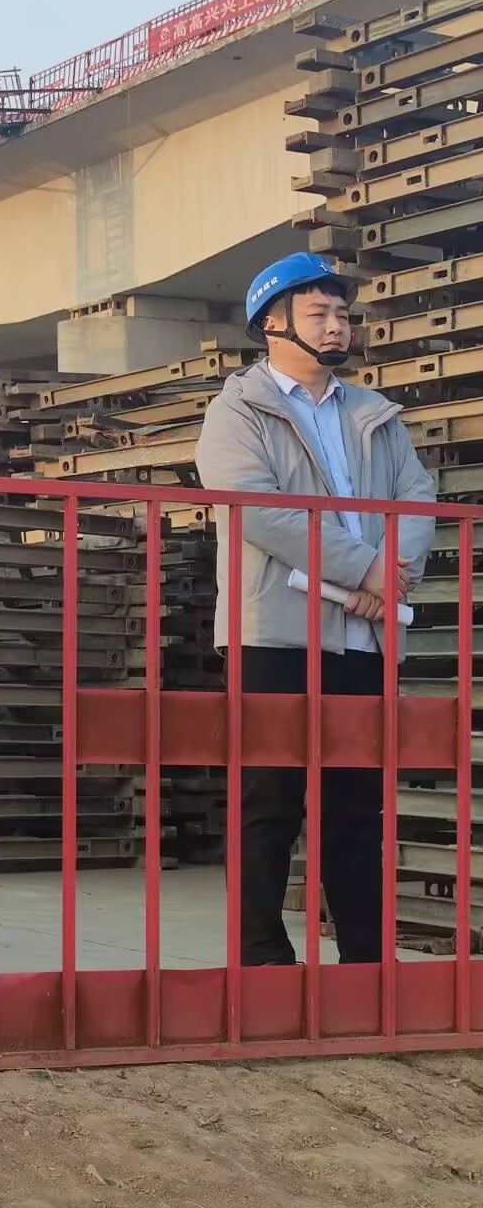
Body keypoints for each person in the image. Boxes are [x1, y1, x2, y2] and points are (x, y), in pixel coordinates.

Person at [194, 251, 434, 967]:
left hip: (364, 635)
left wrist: (390, 577)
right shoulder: (238, 410)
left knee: (356, 808)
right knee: (269, 801)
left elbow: (417, 496)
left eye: (343, 314)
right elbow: (259, 510)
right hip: (276, 634)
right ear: (273, 323)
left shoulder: (373, 413)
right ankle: (261, 959)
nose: (337, 327)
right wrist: (367, 568)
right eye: (320, 313)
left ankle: (366, 964)